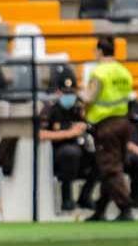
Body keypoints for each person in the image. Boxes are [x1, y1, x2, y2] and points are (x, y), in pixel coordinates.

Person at [81, 36, 135, 221]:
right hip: (124, 122)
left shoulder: (99, 72)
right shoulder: (124, 71)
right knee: (108, 164)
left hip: (106, 124)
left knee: (109, 166)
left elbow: (89, 98)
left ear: (99, 51)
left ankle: (125, 206)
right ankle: (101, 208)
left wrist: (83, 107)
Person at [36, 77, 97, 212]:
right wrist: (69, 133)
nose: (69, 96)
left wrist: (85, 124)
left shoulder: (80, 107)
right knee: (70, 153)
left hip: (81, 148)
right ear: (58, 92)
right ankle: (66, 197)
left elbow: (91, 126)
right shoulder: (50, 109)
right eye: (65, 93)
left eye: (71, 92)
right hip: (58, 151)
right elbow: (40, 134)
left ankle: (85, 196)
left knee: (101, 157)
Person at [127, 101, 138, 207]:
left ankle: (135, 194)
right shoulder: (112, 109)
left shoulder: (135, 106)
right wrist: (134, 149)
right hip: (120, 149)